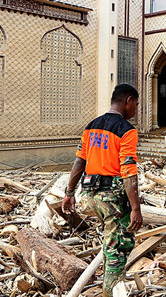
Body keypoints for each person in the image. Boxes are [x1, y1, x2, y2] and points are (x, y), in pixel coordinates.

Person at [62, 84, 143, 296]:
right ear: (127, 101)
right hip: (112, 200)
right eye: (135, 103)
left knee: (110, 242)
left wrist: (69, 194)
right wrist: (135, 207)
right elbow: (128, 171)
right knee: (119, 247)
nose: (135, 108)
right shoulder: (126, 130)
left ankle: (108, 287)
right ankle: (112, 292)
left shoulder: (91, 126)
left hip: (89, 196)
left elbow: (80, 162)